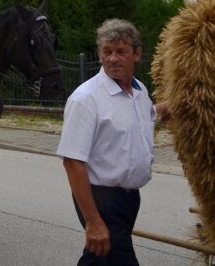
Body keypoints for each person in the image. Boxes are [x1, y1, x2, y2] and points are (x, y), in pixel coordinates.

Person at [57, 19, 169, 265]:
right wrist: (93, 221)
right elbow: (73, 162)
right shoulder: (86, 98)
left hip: (129, 198)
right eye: (106, 52)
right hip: (101, 198)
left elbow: (143, 116)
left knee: (99, 260)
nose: (113, 59)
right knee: (118, 258)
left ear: (137, 55)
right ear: (99, 55)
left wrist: (168, 107)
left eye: (121, 51)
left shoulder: (138, 92)